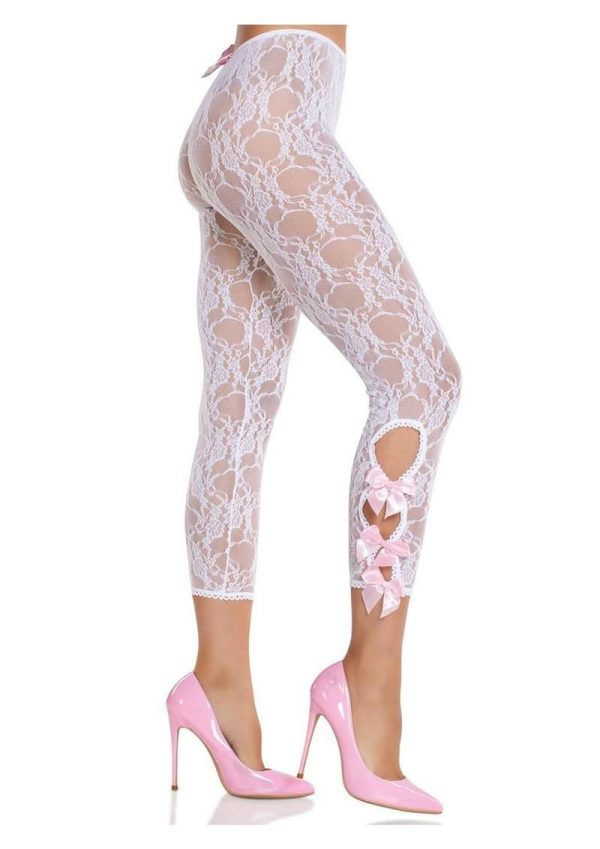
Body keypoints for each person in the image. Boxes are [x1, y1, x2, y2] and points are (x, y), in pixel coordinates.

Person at [166, 23, 462, 813]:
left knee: (237, 411)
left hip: (238, 109)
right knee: (420, 379)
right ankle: (370, 683)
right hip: (270, 108)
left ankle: (218, 686)